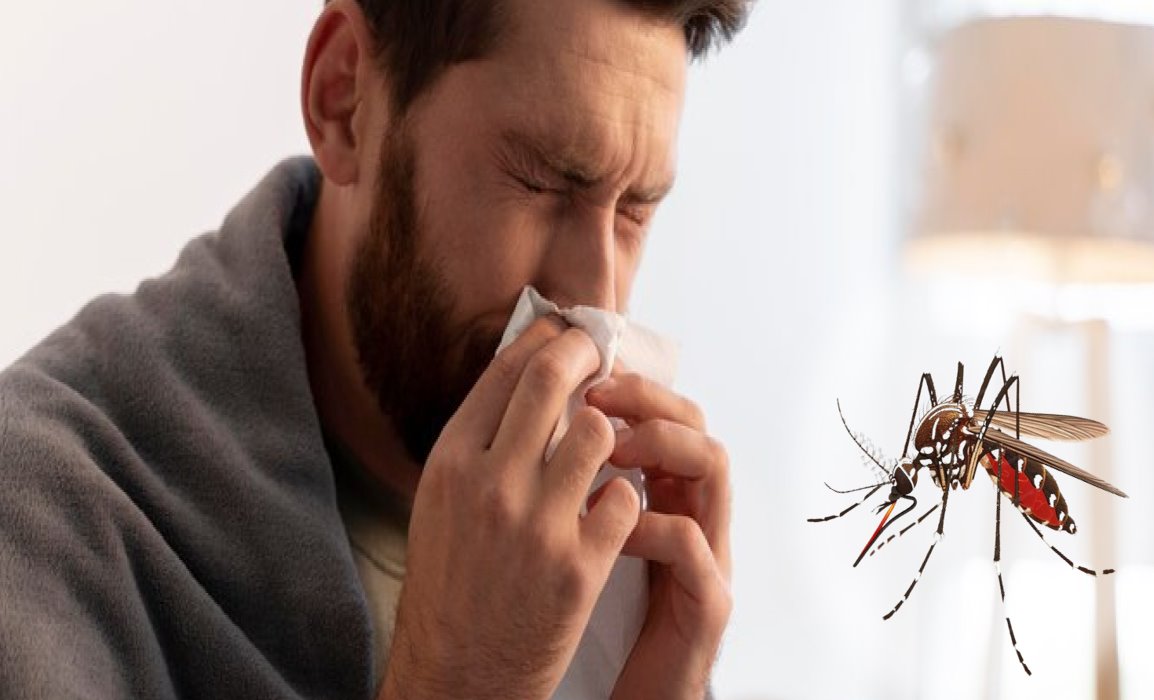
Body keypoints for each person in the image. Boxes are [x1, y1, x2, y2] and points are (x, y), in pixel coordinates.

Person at [0, 0, 749, 697]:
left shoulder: (624, 586)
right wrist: (463, 681)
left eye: (635, 212)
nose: (599, 299)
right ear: (344, 101)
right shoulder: (39, 520)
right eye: (544, 180)